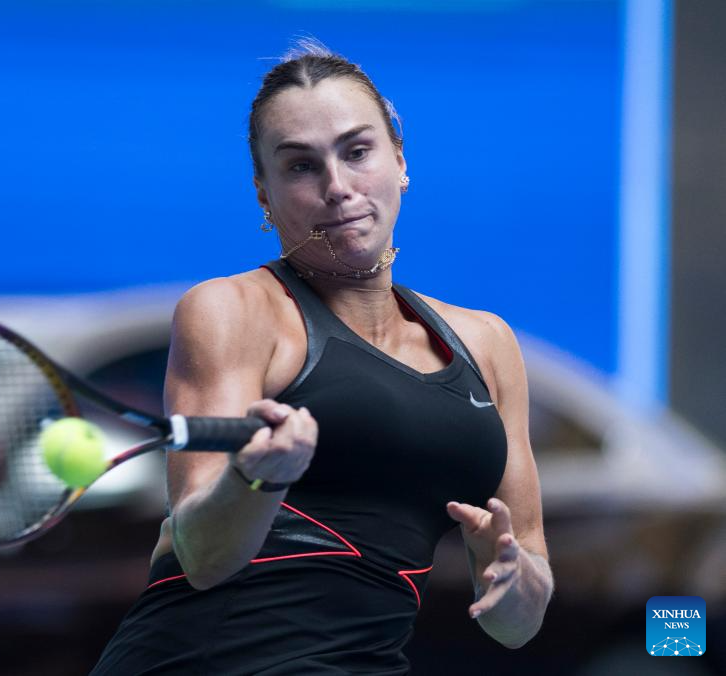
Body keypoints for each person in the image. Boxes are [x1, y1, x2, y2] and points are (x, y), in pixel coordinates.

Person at [90, 41, 553, 675]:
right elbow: (202, 555)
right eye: (302, 166)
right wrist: (259, 478)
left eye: (357, 152)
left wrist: (516, 584)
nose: (337, 187)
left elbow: (518, 622)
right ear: (265, 194)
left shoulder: (488, 344)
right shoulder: (232, 310)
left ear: (399, 160)